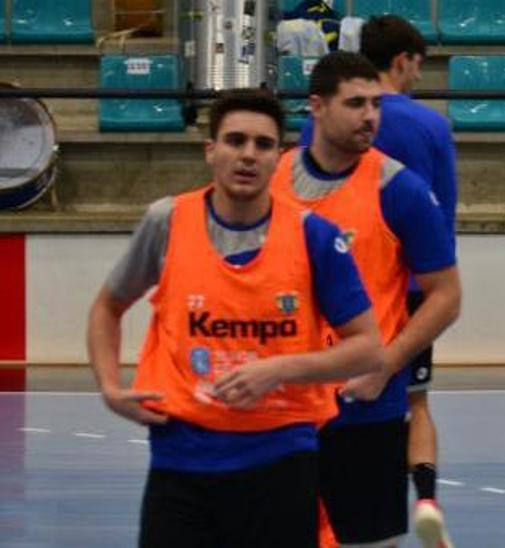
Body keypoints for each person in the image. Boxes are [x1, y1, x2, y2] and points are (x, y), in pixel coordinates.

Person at [86, 88, 382, 547]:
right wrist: (109, 387)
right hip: (182, 456)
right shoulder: (167, 221)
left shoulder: (312, 235)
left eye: (263, 145)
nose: (248, 155)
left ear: (279, 157)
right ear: (211, 150)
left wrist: (280, 369)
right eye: (235, 141)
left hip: (281, 455)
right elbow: (108, 306)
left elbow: (367, 346)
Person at [272, 51, 461, 547]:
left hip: (363, 410)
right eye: (356, 103)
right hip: (281, 407)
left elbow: (446, 295)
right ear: (317, 106)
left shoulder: (399, 189)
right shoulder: (272, 179)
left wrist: (386, 364)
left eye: (375, 103)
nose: (370, 116)